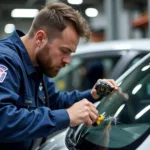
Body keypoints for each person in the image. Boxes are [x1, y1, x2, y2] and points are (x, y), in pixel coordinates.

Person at [0, 2, 118, 150]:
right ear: (40, 38)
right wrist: (67, 116)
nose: (67, 60)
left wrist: (92, 95)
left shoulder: (37, 65)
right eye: (64, 51)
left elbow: (56, 101)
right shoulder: (5, 60)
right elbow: (3, 119)